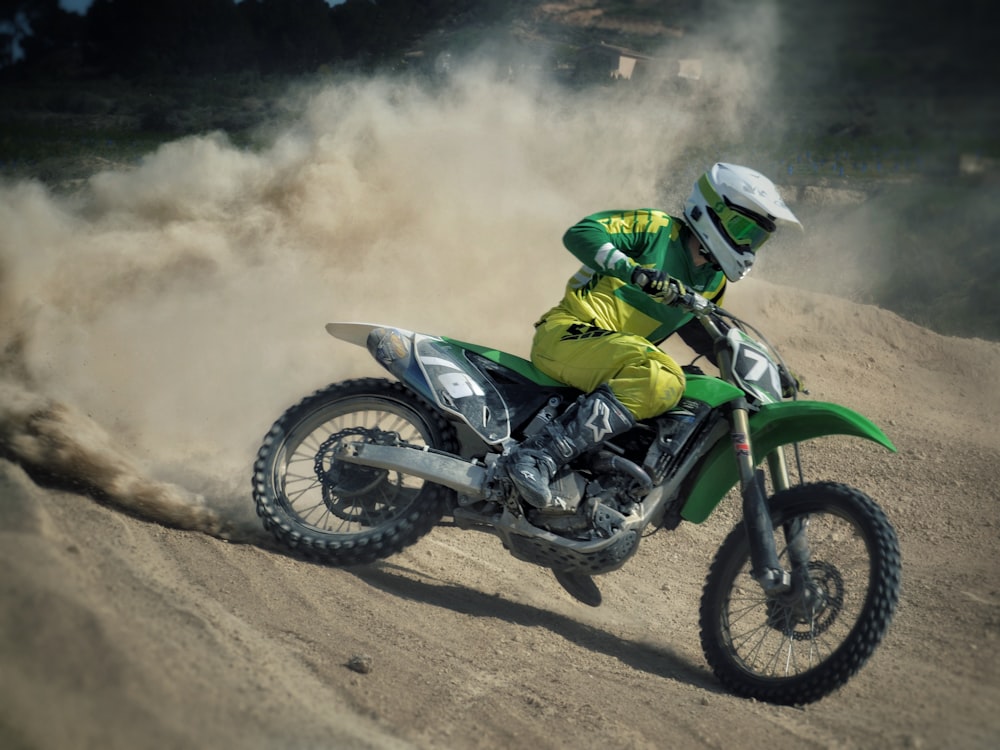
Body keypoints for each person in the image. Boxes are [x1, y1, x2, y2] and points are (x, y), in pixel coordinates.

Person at [506, 162, 803, 511]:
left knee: (695, 396)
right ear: (712, 212)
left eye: (756, 238)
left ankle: (607, 491)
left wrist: (768, 370)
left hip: (616, 360)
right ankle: (536, 457)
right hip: (567, 333)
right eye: (742, 230)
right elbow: (581, 233)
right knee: (660, 375)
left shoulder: (713, 282)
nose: (746, 245)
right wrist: (635, 272)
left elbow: (708, 334)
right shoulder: (658, 229)